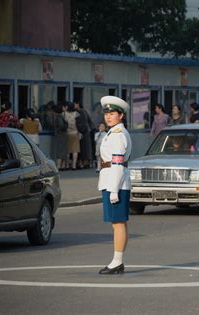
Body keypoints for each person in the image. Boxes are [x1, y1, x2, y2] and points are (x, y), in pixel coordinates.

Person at [98, 95, 132, 275]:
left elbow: (117, 163)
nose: (108, 117)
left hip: (115, 181)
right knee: (118, 223)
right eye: (107, 114)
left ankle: (117, 262)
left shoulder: (118, 135)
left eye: (112, 113)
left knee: (118, 223)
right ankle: (117, 261)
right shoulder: (113, 132)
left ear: (121, 115)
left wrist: (113, 189)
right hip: (113, 179)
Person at [74, 100, 95, 168]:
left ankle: (84, 162)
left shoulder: (81, 112)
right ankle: (86, 162)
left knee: (84, 148)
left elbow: (85, 122)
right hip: (85, 131)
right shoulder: (83, 111)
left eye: (75, 104)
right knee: (85, 148)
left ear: (78, 104)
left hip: (83, 132)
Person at [62, 102, 80, 170]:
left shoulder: (64, 114)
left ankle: (66, 165)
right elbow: (78, 123)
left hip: (67, 132)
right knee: (75, 150)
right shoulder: (76, 113)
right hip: (75, 132)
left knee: (67, 150)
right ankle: (74, 165)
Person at [51, 102, 68, 170]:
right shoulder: (61, 116)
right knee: (63, 149)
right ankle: (63, 165)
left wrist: (57, 129)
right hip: (63, 135)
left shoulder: (59, 117)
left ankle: (59, 165)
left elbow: (61, 126)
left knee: (60, 150)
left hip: (60, 134)